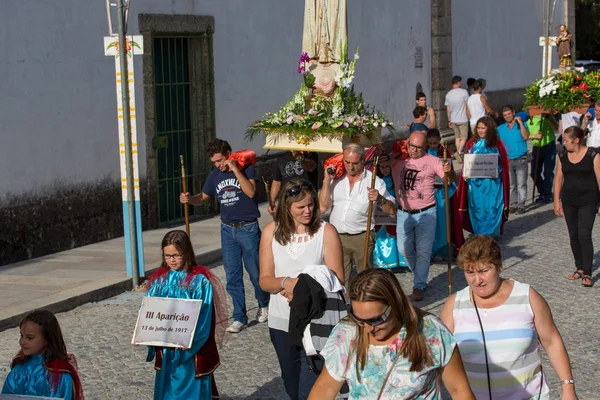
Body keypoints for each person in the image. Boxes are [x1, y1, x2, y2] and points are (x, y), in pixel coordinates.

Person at [440, 235, 578, 400]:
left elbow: (552, 341)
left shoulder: (527, 297)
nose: (477, 280)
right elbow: (440, 354)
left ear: (499, 267)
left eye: (484, 271)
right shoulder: (454, 305)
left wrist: (568, 387)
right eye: (470, 272)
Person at [307, 268, 475, 400]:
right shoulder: (346, 333)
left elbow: (459, 390)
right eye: (359, 319)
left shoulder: (430, 331)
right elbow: (326, 388)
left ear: (395, 304)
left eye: (376, 319)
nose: (368, 328)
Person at [259, 178, 345, 399]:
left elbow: (338, 279)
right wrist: (286, 283)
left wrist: (304, 287)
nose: (308, 211)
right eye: (301, 207)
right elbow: (265, 280)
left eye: (311, 205)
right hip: (281, 320)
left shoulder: (326, 231)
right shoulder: (271, 232)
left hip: (316, 321)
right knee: (291, 380)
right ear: (287, 208)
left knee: (314, 382)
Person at [180, 138, 270, 333]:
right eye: (214, 162)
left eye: (220, 160)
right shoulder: (214, 176)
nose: (218, 165)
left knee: (255, 272)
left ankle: (264, 303)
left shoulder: (247, 169)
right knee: (232, 275)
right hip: (227, 229)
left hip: (248, 228)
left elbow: (251, 192)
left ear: (229, 154)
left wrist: (235, 169)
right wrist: (190, 199)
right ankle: (240, 316)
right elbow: (203, 198)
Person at [145, 230, 227, 399]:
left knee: (189, 388)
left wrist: (190, 340)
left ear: (186, 253)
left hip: (190, 349)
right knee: (168, 387)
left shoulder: (199, 282)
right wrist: (144, 331)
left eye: (176, 255)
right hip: (167, 349)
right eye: (167, 256)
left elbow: (205, 317)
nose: (172, 260)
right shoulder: (159, 282)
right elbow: (149, 310)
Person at [319, 143, 396, 290]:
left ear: (363, 161)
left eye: (354, 163)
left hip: (362, 237)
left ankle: (365, 308)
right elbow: (323, 207)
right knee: (338, 279)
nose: (350, 167)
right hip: (337, 237)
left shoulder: (374, 181)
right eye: (346, 162)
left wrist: (380, 199)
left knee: (365, 279)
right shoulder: (336, 178)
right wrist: (326, 181)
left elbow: (391, 211)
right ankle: (344, 309)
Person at [391, 132, 455, 301]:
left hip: (426, 212)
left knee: (423, 251)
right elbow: (377, 160)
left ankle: (419, 285)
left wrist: (450, 172)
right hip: (404, 212)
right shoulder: (399, 160)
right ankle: (419, 274)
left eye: (418, 147)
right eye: (412, 146)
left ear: (425, 146)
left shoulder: (433, 161)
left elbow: (449, 180)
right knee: (403, 248)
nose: (414, 150)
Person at [554, 126, 600, 288]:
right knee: (573, 235)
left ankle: (587, 272)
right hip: (569, 201)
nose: (564, 143)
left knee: (584, 234)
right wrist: (556, 201)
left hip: (589, 200)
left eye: (566, 140)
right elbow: (558, 179)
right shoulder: (562, 156)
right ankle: (579, 267)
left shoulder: (593, 155)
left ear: (577, 140)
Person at [1, 310, 84, 399]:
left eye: (30, 338)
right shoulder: (18, 372)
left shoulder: (60, 375)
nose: (22, 342)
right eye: (22, 336)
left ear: (47, 339)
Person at [457, 116, 510, 236]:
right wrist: (465, 173)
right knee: (477, 208)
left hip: (492, 184)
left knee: (492, 208)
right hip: (475, 185)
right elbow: (467, 162)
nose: (480, 130)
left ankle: (490, 233)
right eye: (479, 128)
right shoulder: (472, 143)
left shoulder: (497, 144)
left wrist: (497, 171)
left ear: (489, 129)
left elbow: (503, 165)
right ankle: (479, 233)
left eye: (483, 128)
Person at [426, 129, 464, 260]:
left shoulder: (444, 152)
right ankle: (430, 250)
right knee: (430, 222)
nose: (432, 146)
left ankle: (444, 249)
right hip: (428, 191)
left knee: (442, 222)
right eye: (430, 143)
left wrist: (447, 172)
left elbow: (452, 175)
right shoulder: (424, 153)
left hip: (442, 192)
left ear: (439, 140)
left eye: (435, 143)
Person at [372, 155, 409, 270]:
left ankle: (402, 262)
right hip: (381, 215)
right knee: (383, 237)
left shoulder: (397, 179)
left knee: (398, 236)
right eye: (382, 167)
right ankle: (386, 261)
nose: (385, 169)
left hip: (397, 211)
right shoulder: (377, 181)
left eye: (387, 167)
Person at [497, 105, 530, 214]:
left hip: (521, 158)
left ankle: (521, 205)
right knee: (511, 184)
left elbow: (526, 137)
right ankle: (513, 204)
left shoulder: (522, 125)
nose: (507, 116)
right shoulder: (500, 129)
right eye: (505, 115)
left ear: (513, 113)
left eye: (509, 114)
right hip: (507, 160)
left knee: (521, 183)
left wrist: (520, 123)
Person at [268, 151, 318, 215]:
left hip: (307, 201)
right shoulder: (281, 158)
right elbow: (277, 181)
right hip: (288, 202)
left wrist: (299, 157)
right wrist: (272, 202)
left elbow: (311, 167)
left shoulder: (310, 154)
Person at [529, 113, 558, 203]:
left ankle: (548, 194)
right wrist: (534, 136)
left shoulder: (548, 115)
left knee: (548, 172)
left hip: (548, 146)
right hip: (536, 147)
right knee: (534, 173)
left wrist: (548, 118)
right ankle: (542, 192)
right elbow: (524, 134)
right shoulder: (529, 118)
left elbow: (555, 127)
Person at [445, 75, 470, 160]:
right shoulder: (464, 92)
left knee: (457, 137)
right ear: (458, 82)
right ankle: (459, 152)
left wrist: (449, 120)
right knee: (464, 137)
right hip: (462, 118)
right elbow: (467, 105)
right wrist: (469, 115)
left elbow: (448, 109)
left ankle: (459, 154)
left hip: (453, 119)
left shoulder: (448, 94)